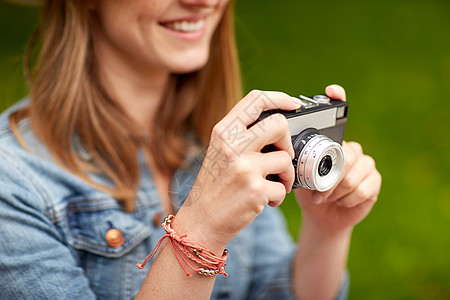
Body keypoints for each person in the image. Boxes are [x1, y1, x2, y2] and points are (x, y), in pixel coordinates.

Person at [0, 0, 381, 299]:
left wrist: (326, 232)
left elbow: (270, 291)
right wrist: (200, 230)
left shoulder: (222, 140)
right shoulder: (13, 182)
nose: (202, 1)